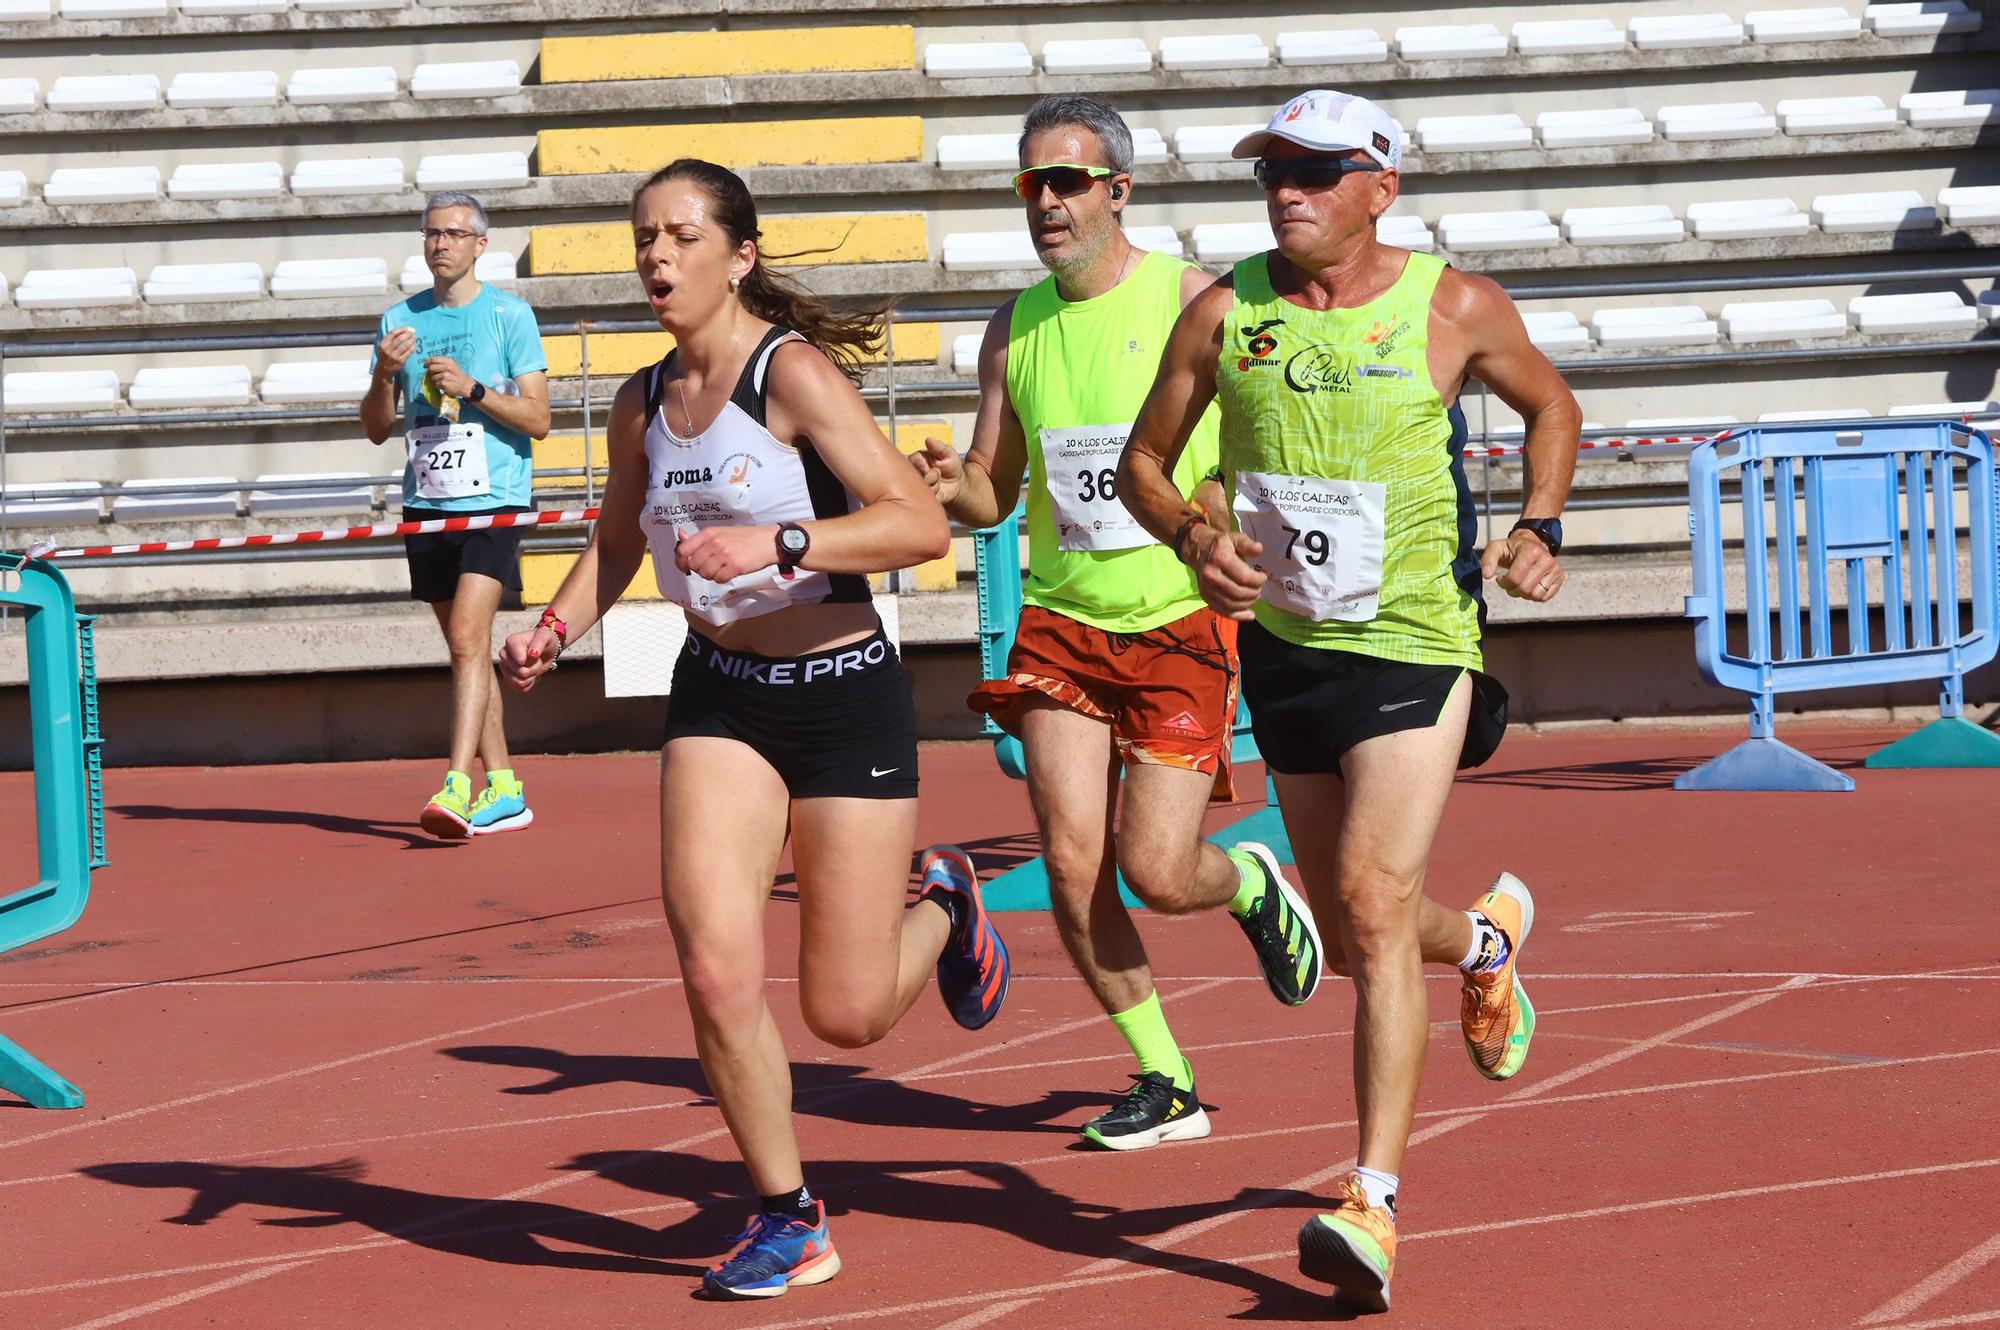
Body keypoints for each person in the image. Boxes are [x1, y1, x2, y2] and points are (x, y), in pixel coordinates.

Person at [498, 158, 1010, 1302]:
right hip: (720, 693)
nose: (656, 258)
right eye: (642, 238)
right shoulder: (640, 400)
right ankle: (789, 1215)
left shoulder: (790, 377)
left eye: (680, 236)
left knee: (847, 1013)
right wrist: (552, 626)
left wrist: (784, 548)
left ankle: (947, 902)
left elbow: (918, 524)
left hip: (842, 690)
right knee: (715, 968)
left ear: (738, 257)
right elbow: (620, 543)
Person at [1117, 89, 1580, 1312]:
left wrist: (1537, 523)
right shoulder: (1226, 311)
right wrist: (1189, 536)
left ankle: (1369, 1200)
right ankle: (1483, 939)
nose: (1287, 191)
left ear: (1381, 185)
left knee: (1370, 910)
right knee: (1347, 918)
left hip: (1418, 642)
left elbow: (1551, 404)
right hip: (1287, 648)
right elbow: (1143, 465)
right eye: (1273, 169)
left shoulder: (1452, 305)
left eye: (1316, 171)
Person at [911, 95, 1325, 1153]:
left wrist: (1217, 524)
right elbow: (993, 493)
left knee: (1157, 867)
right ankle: (1163, 1077)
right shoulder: (1013, 326)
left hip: (1175, 621)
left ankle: (1248, 884)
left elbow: (1247, 455)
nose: (1046, 201)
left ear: (1117, 189)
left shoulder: (1193, 301)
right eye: (1030, 184)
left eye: (1067, 180)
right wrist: (940, 484)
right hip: (1058, 623)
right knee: (1068, 864)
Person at [362, 191, 551, 839]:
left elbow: (540, 419)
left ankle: (456, 784)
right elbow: (375, 428)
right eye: (431, 234)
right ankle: (504, 788)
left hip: (496, 499)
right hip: (427, 501)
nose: (440, 244)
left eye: (453, 233)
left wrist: (473, 388)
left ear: (480, 245)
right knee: (464, 648)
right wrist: (383, 375)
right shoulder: (398, 320)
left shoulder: (509, 315)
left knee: (469, 640)